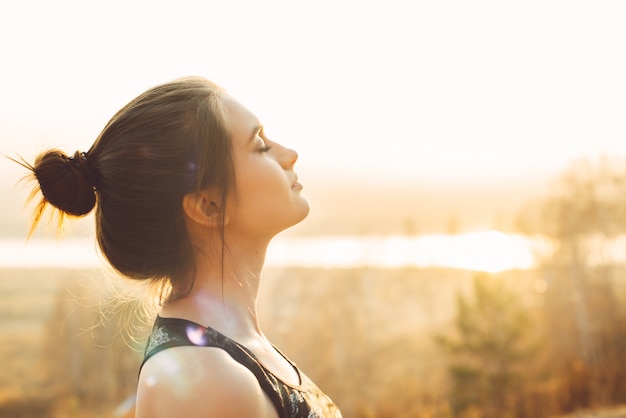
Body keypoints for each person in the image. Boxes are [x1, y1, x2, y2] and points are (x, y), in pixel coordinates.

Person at [21, 77, 342, 418]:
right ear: (207, 205)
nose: (290, 155)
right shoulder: (206, 382)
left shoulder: (228, 350)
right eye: (260, 146)